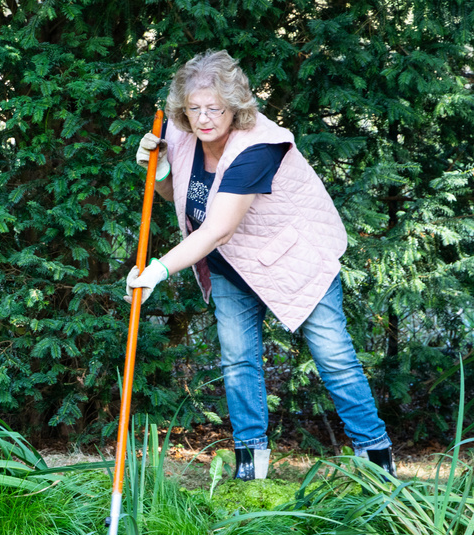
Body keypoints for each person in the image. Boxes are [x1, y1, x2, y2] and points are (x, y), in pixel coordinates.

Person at [126, 50, 395, 480]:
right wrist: (157, 170)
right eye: (194, 109)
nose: (204, 118)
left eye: (214, 108)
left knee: (335, 358)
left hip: (295, 258)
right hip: (232, 265)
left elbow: (217, 228)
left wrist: (157, 271)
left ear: (234, 105)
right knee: (238, 360)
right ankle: (251, 463)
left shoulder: (257, 146)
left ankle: (377, 458)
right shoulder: (178, 136)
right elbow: (179, 197)